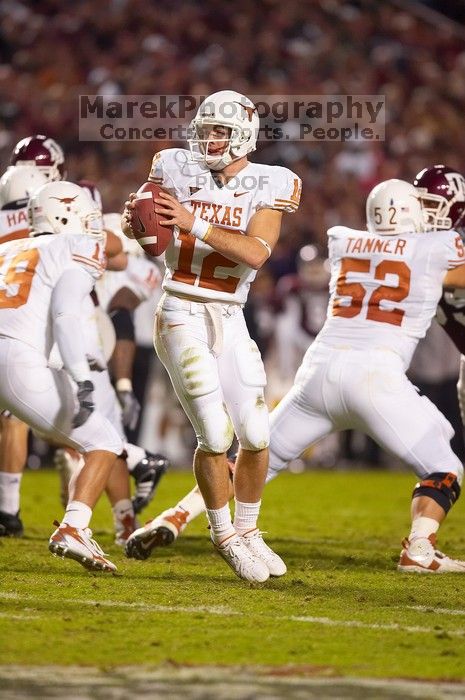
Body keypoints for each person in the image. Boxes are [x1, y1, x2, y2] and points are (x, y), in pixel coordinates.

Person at [122, 90, 301, 582]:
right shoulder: (174, 166)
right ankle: (223, 534)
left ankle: (248, 529)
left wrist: (193, 221)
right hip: (179, 308)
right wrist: (138, 226)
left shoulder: (271, 182)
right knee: (215, 433)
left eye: (219, 131)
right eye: (204, 129)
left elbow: (258, 251)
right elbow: (145, 225)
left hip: (231, 314)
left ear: (243, 135)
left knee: (257, 434)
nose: (208, 139)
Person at [266, 178, 465, 573]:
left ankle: (178, 516)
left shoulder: (343, 240)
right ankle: (420, 548)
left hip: (321, 366)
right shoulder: (435, 247)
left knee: (256, 454)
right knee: (446, 467)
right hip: (377, 377)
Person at [0, 179, 125, 571]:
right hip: (14, 358)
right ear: (66, 215)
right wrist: (81, 378)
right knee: (103, 439)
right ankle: (74, 527)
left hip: (14, 351)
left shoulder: (9, 246)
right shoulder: (75, 245)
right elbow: (66, 314)